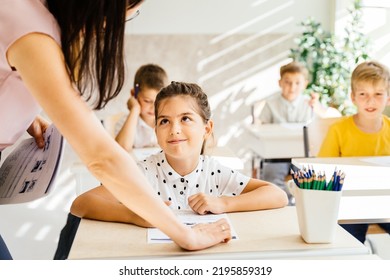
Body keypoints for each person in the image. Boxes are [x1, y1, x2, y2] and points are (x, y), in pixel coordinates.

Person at [0, 0, 230, 260]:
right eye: (125, 16)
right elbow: (103, 157)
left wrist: (22, 115)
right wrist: (186, 235)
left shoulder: (29, 17)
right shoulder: (32, 32)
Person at [70, 81, 288, 223]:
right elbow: (81, 204)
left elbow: (278, 196)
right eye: (164, 121)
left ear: (207, 128)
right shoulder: (143, 172)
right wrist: (136, 215)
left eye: (185, 118)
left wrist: (223, 203)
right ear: (156, 130)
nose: (174, 129)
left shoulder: (214, 172)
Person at [318, 61, 390, 244]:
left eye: (378, 94)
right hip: (349, 205)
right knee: (348, 242)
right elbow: (323, 172)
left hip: (385, 203)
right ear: (353, 97)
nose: (370, 101)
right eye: (363, 94)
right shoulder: (338, 130)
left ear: (388, 97)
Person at [258, 61, 326, 204]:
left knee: (311, 180)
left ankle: (302, 206)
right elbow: (262, 129)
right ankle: (285, 205)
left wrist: (317, 108)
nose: (292, 87)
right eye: (287, 82)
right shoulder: (270, 104)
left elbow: (322, 125)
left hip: (303, 155)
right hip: (276, 155)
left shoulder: (310, 104)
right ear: (280, 83)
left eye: (297, 83)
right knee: (272, 180)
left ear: (305, 84)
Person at [114, 64, 168, 152]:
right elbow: (121, 150)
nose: (153, 107)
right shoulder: (125, 123)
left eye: (158, 102)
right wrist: (134, 109)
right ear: (134, 94)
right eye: (147, 101)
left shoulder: (169, 121)